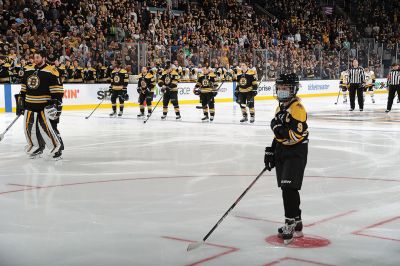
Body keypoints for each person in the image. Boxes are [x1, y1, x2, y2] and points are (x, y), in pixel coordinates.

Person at [264, 73, 309, 245]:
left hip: (296, 152)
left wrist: (276, 128)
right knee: (286, 188)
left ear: (294, 89)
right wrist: (272, 150)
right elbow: (280, 137)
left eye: (285, 88)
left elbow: (293, 137)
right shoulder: (280, 108)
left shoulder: (297, 108)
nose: (281, 91)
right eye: (280, 88)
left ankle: (289, 222)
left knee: (289, 188)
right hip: (283, 151)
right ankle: (297, 222)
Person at [16, 50, 64, 160]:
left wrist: (56, 104)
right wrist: (20, 102)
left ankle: (56, 150)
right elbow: (23, 88)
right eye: (34, 57)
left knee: (47, 129)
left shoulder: (52, 71)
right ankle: (36, 147)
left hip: (44, 106)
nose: (36, 59)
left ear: (44, 58)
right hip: (29, 104)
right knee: (29, 128)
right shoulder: (28, 69)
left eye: (38, 57)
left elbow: (57, 91)